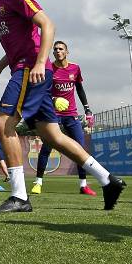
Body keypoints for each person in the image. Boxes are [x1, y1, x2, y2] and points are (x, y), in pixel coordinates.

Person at [0, 0, 123, 213]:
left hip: (29, 71)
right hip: (24, 68)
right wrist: (0, 67)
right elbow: (21, 42)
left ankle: (20, 197)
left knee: (2, 123)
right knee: (54, 136)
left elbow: (48, 25)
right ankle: (108, 180)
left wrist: (38, 62)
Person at [32, 41, 96, 196]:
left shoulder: (75, 68)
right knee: (47, 147)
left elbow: (79, 89)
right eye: (55, 49)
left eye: (61, 49)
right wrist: (54, 99)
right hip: (52, 114)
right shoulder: (49, 69)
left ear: (67, 52)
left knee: (80, 149)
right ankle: (38, 182)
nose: (57, 51)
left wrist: (87, 109)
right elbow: (42, 92)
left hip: (71, 115)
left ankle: (83, 185)